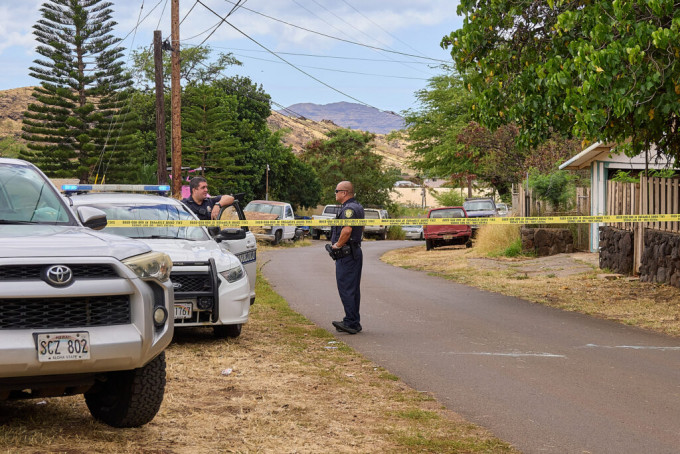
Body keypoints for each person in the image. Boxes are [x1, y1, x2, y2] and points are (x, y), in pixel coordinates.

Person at [330, 181, 365, 334]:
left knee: (346, 288)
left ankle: (351, 322)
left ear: (344, 193)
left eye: (337, 191)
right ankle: (353, 321)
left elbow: (347, 230)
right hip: (354, 252)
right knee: (353, 288)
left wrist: (337, 245)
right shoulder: (357, 206)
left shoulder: (349, 209)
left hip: (347, 254)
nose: (335, 193)